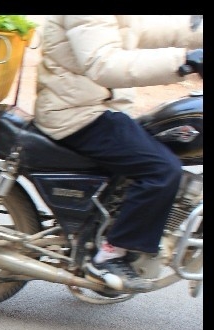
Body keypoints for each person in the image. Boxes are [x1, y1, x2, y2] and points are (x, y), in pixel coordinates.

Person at [33, 15, 203, 293]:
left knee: (160, 137)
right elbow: (104, 64)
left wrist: (196, 30)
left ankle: (110, 227)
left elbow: (143, 31)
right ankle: (111, 255)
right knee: (162, 170)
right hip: (77, 113)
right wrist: (183, 62)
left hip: (99, 105)